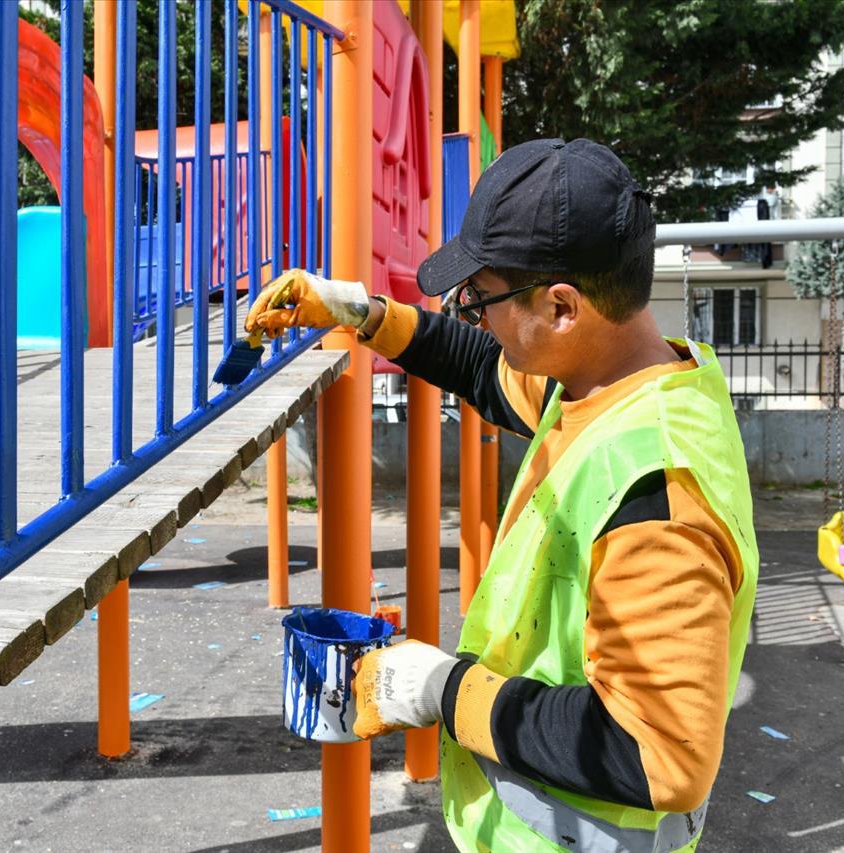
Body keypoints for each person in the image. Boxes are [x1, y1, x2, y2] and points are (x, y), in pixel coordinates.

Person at [245, 138, 758, 853]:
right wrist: (361, 312)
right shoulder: (611, 382)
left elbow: (661, 755)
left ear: (562, 306)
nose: (474, 317)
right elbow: (485, 370)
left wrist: (444, 689)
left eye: (481, 299)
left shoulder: (655, 498)